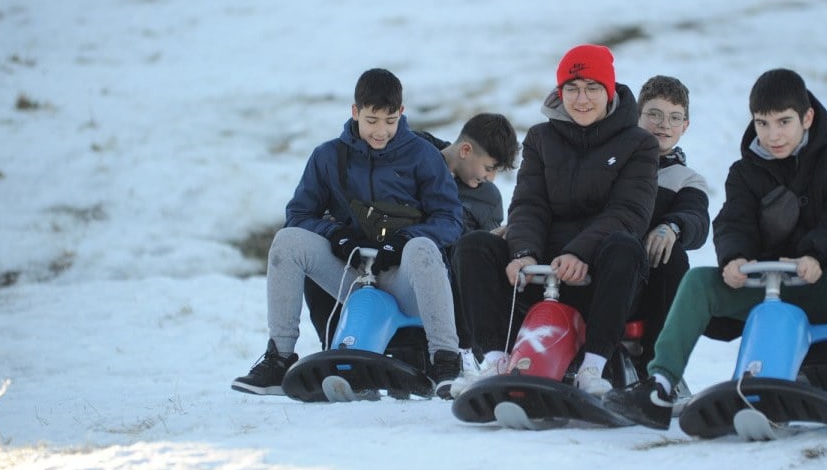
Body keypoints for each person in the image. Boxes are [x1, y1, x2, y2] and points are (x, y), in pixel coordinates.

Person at [604, 68, 827, 429]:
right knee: (699, 281)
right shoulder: (745, 171)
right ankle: (660, 383)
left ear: (807, 117)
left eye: (783, 122)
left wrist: (814, 254)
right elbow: (732, 222)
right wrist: (734, 259)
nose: (772, 135)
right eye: (763, 124)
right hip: (772, 289)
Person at [231, 68, 466, 399]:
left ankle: (446, 361)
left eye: (389, 120)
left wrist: (404, 240)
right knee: (287, 241)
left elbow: (450, 219)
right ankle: (278, 358)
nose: (380, 131)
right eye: (371, 120)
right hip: (355, 275)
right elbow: (298, 215)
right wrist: (336, 235)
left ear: (401, 113)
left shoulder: (422, 156)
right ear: (355, 112)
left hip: (407, 280)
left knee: (423, 248)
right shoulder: (327, 157)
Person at [450, 44, 659, 397]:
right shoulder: (540, 138)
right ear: (560, 92)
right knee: (474, 246)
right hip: (541, 265)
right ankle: (496, 360)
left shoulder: (639, 144)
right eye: (572, 88)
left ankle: (594, 367)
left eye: (592, 88)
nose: (581, 99)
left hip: (599, 273)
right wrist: (524, 253)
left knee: (625, 247)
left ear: (609, 91)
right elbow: (529, 203)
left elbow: (629, 212)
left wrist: (580, 253)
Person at [303, 112, 520, 349]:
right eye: (489, 168)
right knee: (317, 259)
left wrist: (490, 240)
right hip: (372, 260)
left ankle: (450, 352)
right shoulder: (409, 152)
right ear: (466, 150)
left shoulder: (487, 198)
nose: (491, 178)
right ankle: (336, 349)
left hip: (430, 279)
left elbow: (471, 261)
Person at [630, 76, 711, 379]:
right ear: (637, 116)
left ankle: (656, 371)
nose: (664, 124)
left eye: (674, 118)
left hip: (648, 282)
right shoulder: (612, 164)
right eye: (654, 114)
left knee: (672, 255)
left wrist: (673, 226)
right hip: (604, 267)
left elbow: (697, 219)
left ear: (685, 126)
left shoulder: (686, 179)